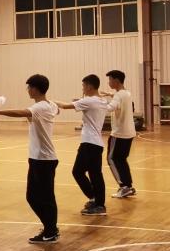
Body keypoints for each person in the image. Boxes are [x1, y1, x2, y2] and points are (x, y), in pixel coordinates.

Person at [0, 74, 60, 243]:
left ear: (36, 89)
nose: (28, 90)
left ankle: (51, 231)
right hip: (38, 158)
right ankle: (50, 227)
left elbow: (21, 112)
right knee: (34, 197)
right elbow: (57, 108)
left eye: (29, 87)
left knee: (44, 198)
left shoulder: (40, 107)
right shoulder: (50, 105)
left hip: (44, 160)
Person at [57, 75, 109, 216]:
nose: (83, 89)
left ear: (90, 86)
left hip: (89, 143)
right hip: (96, 143)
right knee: (95, 174)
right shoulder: (102, 101)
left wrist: (49, 101)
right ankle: (98, 202)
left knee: (78, 172)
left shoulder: (89, 101)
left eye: (83, 86)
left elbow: (65, 106)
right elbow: (88, 100)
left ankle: (96, 200)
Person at [103, 69, 136, 199]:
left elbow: (110, 107)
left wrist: (96, 102)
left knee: (111, 159)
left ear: (116, 80)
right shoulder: (127, 93)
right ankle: (128, 186)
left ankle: (124, 186)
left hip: (119, 134)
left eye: (110, 80)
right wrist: (109, 94)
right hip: (129, 133)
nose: (109, 82)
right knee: (121, 160)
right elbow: (118, 97)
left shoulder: (118, 96)